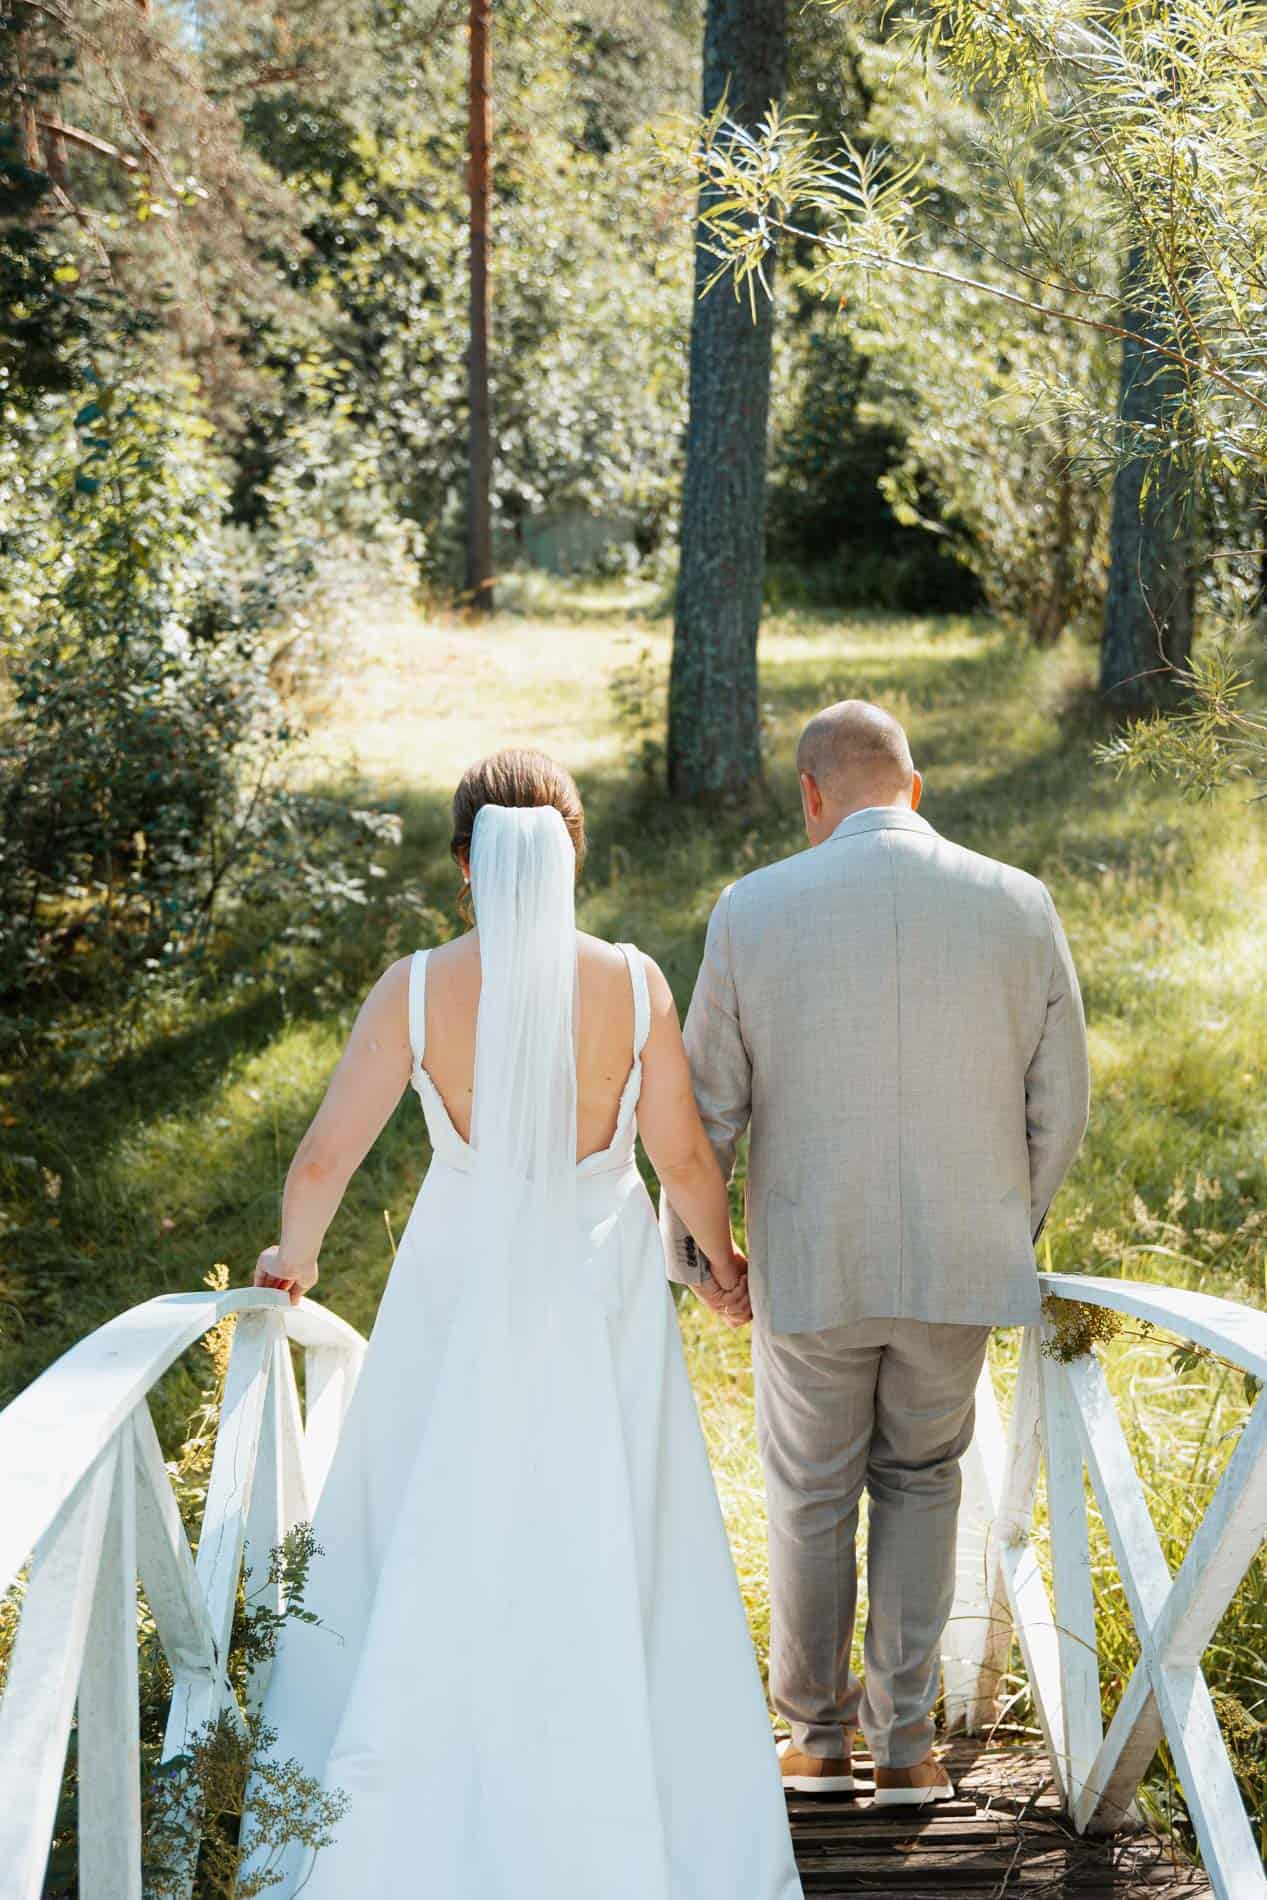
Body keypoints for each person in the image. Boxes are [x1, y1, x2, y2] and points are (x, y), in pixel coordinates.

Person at [247, 748, 802, 1899]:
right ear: (573, 851)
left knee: (434, 1507)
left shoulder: (413, 987)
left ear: (464, 865)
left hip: (457, 1274)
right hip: (596, 1283)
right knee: (615, 1517)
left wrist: (291, 1259)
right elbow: (682, 1156)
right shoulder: (632, 980)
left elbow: (321, 1155)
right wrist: (719, 1262)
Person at [662, 700, 1090, 1808]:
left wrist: (707, 1257)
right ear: (915, 783)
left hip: (811, 1264)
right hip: (961, 1258)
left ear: (810, 795)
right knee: (922, 1478)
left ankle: (814, 1740)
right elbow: (1061, 1104)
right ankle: (905, 1746)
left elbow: (704, 1107)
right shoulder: (1016, 901)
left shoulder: (750, 910)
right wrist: (1006, 1219)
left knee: (810, 1493)